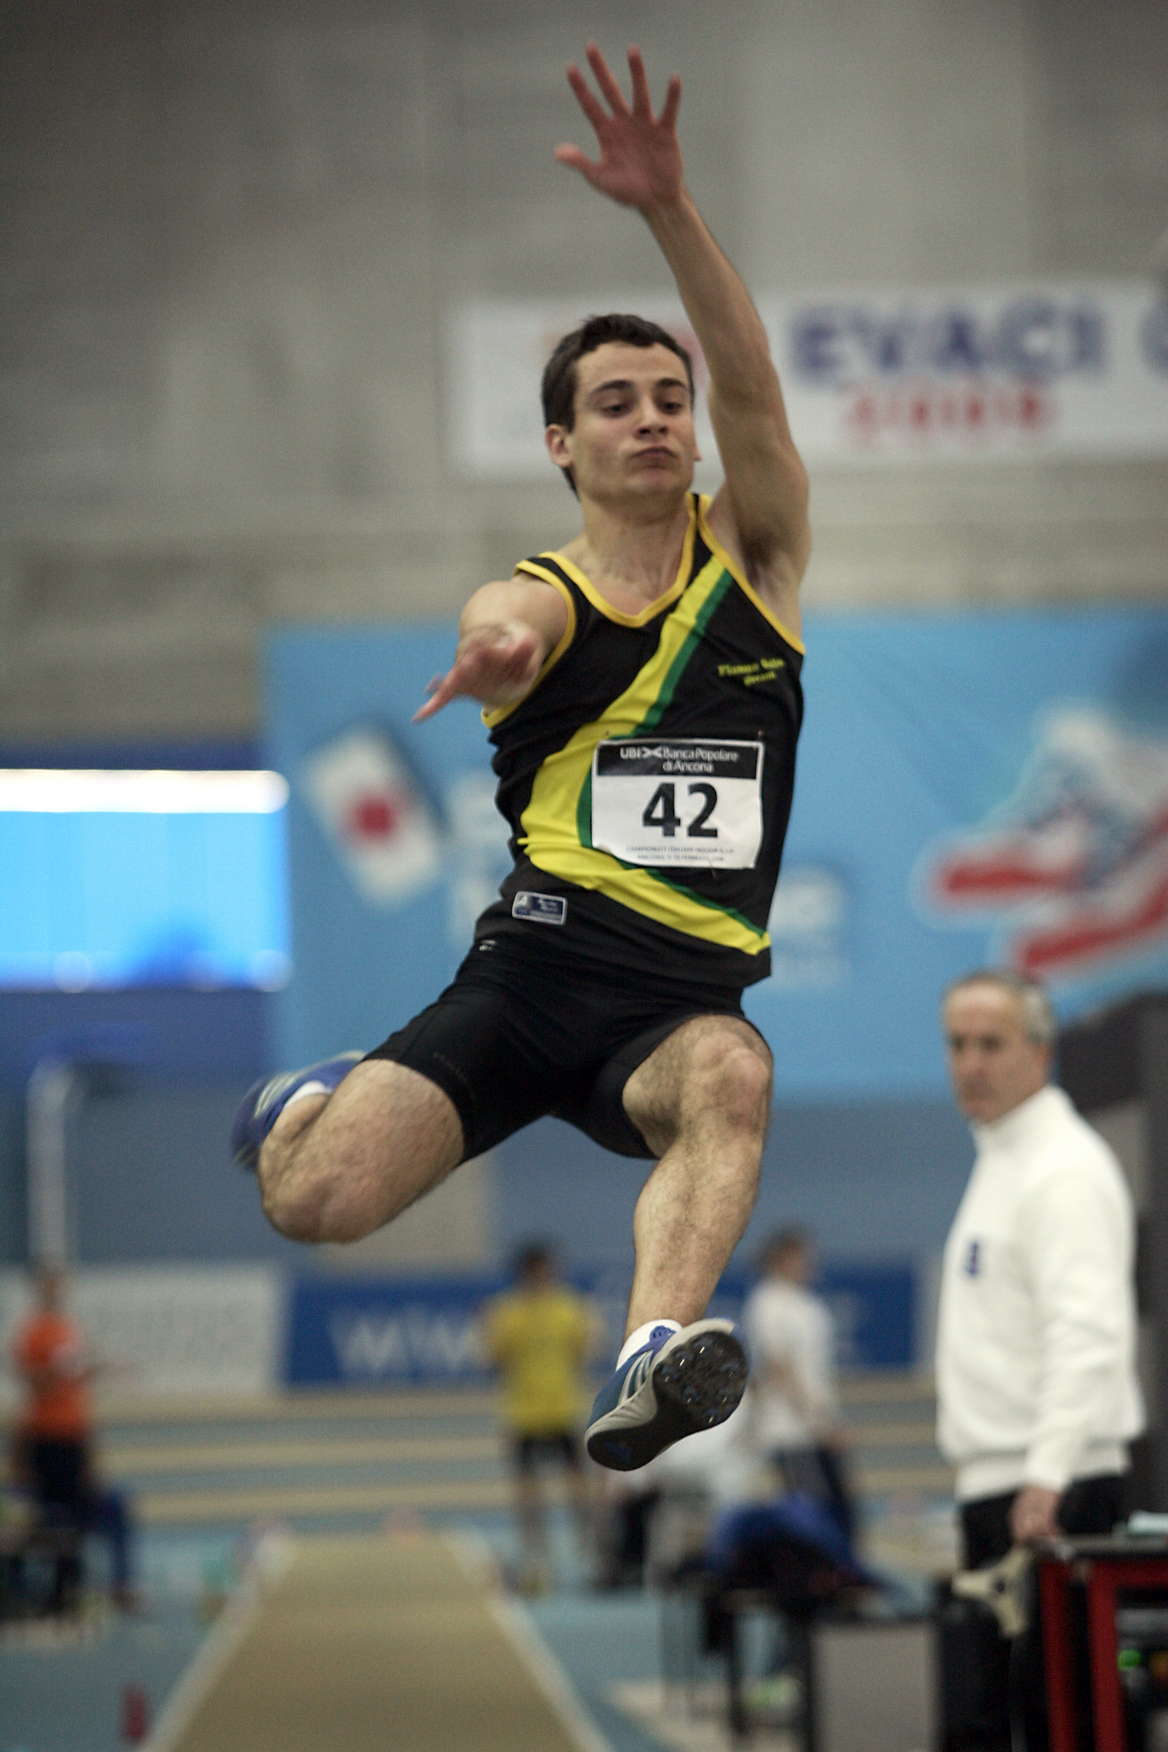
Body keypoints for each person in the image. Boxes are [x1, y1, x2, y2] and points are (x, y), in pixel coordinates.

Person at [232, 42, 811, 1474]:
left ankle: (654, 1348)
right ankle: (304, 1104)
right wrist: (497, 652)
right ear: (562, 442)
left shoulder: (756, 561)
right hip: (534, 978)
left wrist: (668, 208)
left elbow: (753, 390)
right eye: (616, 402)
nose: (653, 418)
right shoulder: (538, 591)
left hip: (676, 1008)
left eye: (667, 398)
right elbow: (512, 619)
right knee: (316, 1202)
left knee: (735, 1075)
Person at [935, 969, 1144, 1751]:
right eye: (957, 1044)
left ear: (1040, 1051)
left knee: (1067, 1725)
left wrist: (1047, 1474)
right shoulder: (1003, 1159)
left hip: (1054, 1494)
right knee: (1004, 1724)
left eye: (991, 1044)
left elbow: (1088, 1334)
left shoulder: (1062, 1170)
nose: (970, 1063)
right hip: (1008, 1486)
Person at [9, 1264, 140, 1613]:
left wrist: (94, 1370)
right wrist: (63, 1374)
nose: (56, 1291)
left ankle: (96, 1586)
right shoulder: (32, 1334)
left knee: (91, 1511)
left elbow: (77, 1385)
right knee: (52, 1517)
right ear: (40, 1289)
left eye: (60, 1285)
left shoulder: (70, 1330)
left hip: (73, 1438)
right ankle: (50, 1591)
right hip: (45, 1440)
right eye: (50, 1285)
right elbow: (34, 1383)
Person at [481, 1240, 599, 1591]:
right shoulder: (505, 1312)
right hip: (523, 1415)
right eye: (540, 1270)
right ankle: (536, 1556)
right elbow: (492, 1359)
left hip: (564, 1410)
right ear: (526, 1273)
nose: (546, 1276)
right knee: (529, 1495)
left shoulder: (570, 1307)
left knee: (578, 1490)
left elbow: (586, 1350)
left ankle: (587, 1553)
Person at [741, 1226, 856, 1548]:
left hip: (816, 1423)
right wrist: (818, 1421)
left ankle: (837, 1569)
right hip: (790, 1430)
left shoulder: (808, 1304)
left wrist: (829, 1417)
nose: (809, 1263)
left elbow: (814, 1371)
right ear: (781, 1259)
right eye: (802, 1257)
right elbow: (778, 1368)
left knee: (840, 1510)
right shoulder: (768, 1303)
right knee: (809, 1513)